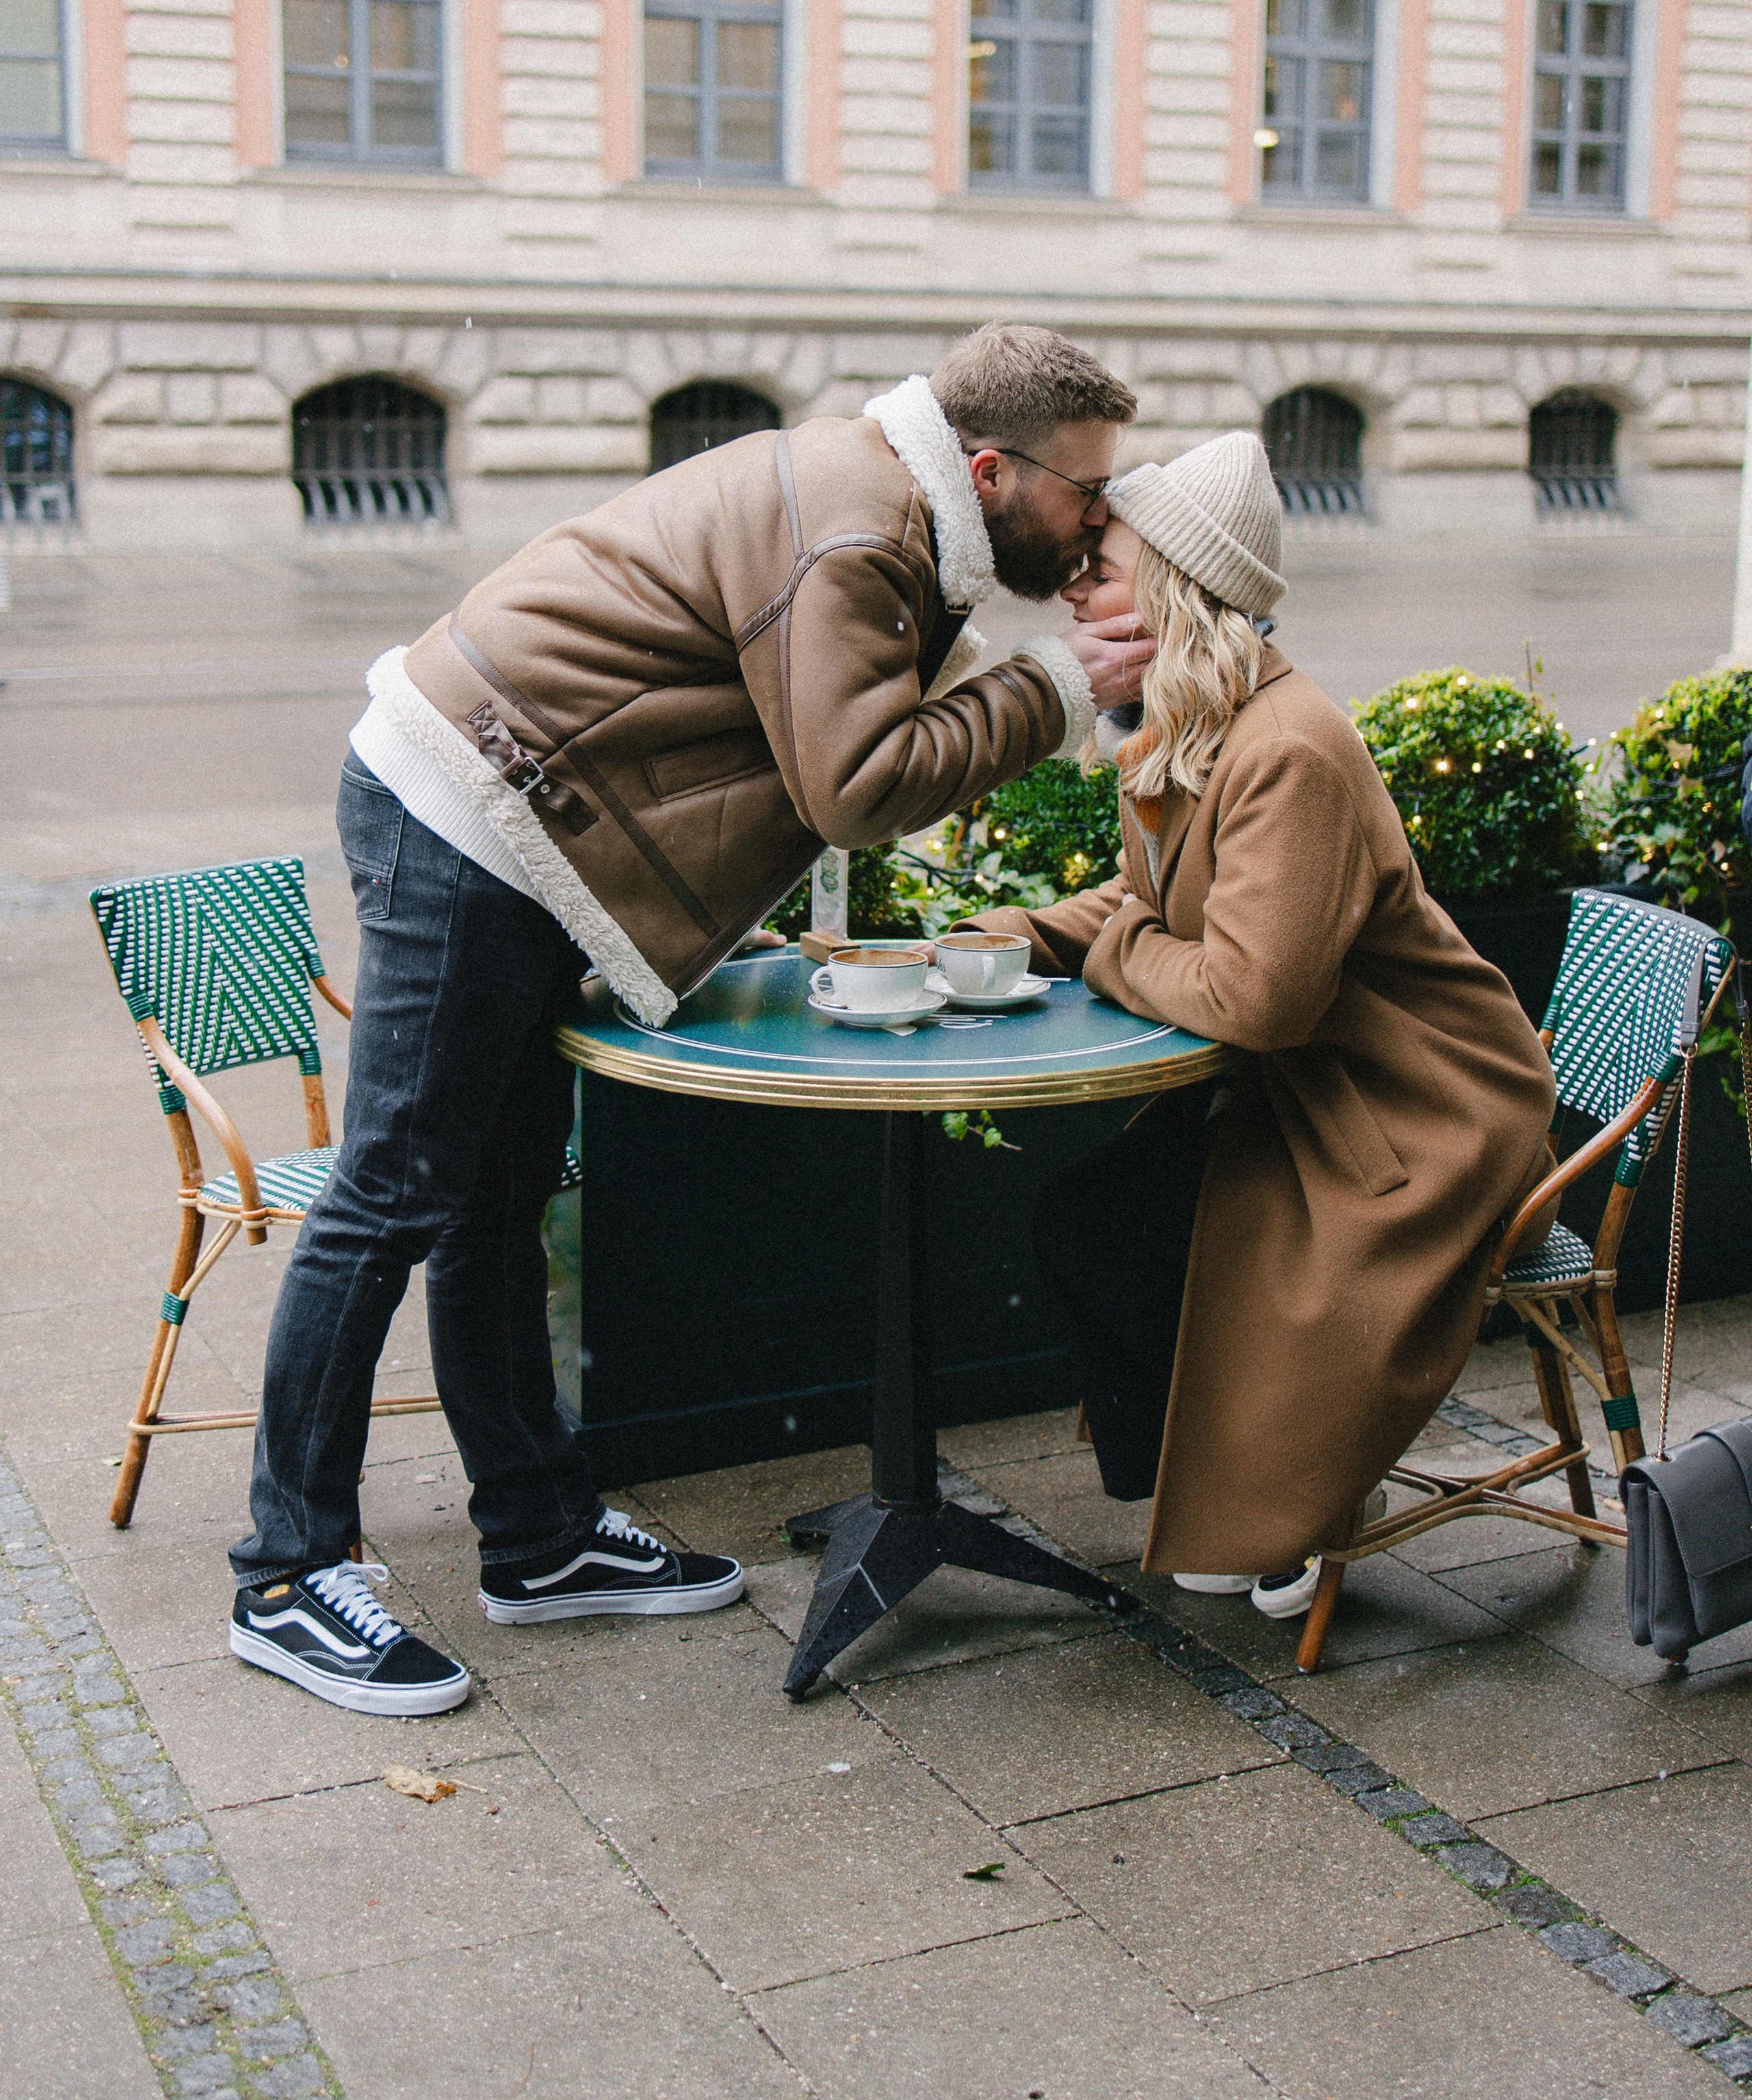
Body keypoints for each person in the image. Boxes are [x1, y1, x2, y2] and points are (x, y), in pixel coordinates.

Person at [227, 323, 1150, 1714]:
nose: (1097, 521)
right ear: (986, 468)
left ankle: (535, 1541)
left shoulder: (885, 501)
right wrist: (1063, 687)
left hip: (522, 818)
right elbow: (853, 779)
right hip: (468, 813)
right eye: (1086, 492)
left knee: (495, 1203)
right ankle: (286, 1574)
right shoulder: (858, 527)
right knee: (393, 1195)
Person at [975, 431, 1558, 1620]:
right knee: (1090, 1223)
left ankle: (1292, 1496)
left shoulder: (1288, 747)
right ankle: (1217, 1484)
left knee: (1176, 1231)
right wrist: (1016, 932)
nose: (1076, 585)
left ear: (1185, 587)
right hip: (1312, 1088)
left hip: (1418, 1110)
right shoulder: (1201, 723)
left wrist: (1114, 947)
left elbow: (1253, 996)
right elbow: (1150, 901)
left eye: (1103, 562)